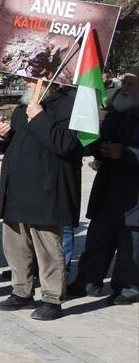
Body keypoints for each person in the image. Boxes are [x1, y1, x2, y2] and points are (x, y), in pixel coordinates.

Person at [0, 79, 83, 320]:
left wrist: (41, 117)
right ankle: (21, 291)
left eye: (32, 77)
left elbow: (67, 144)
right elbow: (15, 145)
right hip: (18, 188)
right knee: (15, 244)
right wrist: (3, 137)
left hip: (47, 188)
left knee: (48, 247)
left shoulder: (68, 105)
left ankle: (52, 298)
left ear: (52, 80)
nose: (25, 81)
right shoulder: (24, 108)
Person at [67, 71, 139, 304]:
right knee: (98, 237)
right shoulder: (116, 112)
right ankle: (88, 281)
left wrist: (126, 153)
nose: (124, 87)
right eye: (124, 82)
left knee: (130, 244)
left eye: (131, 83)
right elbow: (101, 139)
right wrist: (98, 145)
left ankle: (127, 287)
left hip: (134, 193)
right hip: (108, 186)